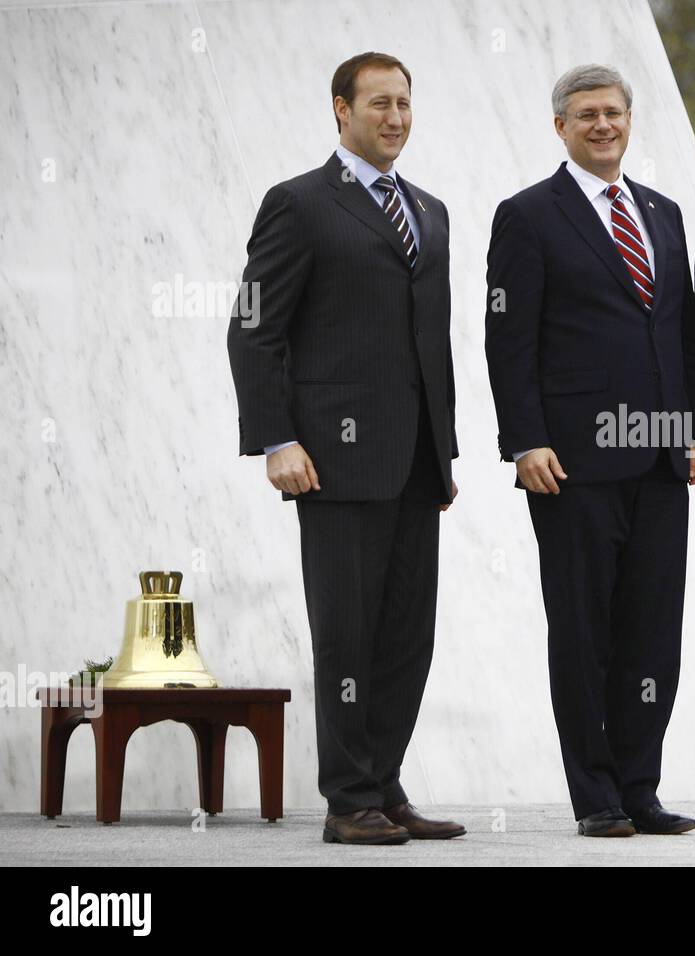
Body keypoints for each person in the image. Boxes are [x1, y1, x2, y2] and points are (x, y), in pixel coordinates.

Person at [227, 52, 463, 845]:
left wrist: (445, 451)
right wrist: (276, 439)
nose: (394, 118)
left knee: (405, 637)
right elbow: (254, 326)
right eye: (378, 104)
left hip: (416, 464)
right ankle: (347, 801)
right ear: (340, 109)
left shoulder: (430, 211)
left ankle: (384, 785)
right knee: (348, 635)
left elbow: (434, 343)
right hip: (333, 459)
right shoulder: (298, 204)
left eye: (404, 104)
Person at [484, 64, 695, 837]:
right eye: (586, 115)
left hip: (659, 460)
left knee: (652, 627)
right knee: (584, 631)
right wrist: (525, 441)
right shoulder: (528, 216)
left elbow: (681, 334)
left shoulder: (663, 211)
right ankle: (597, 796)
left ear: (628, 119)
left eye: (613, 112)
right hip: (573, 463)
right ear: (561, 127)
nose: (603, 125)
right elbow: (507, 340)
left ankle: (641, 788)